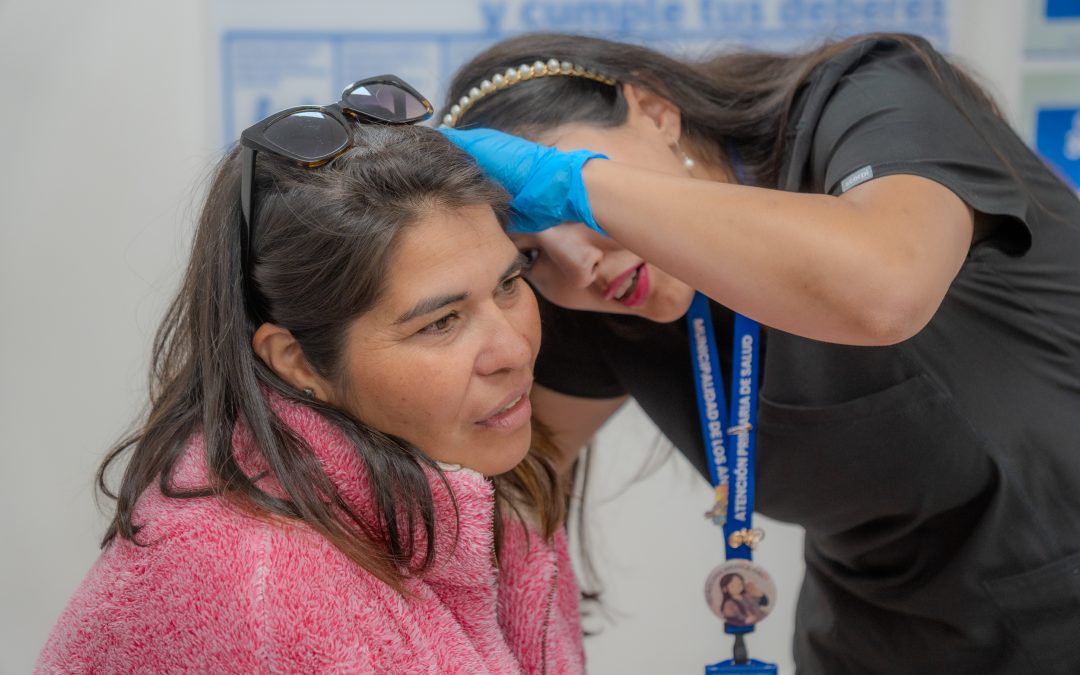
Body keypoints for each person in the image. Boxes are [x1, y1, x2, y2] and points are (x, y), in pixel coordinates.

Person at [438, 33, 1080, 673]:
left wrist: (581, 188)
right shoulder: (598, 296)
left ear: (656, 111)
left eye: (571, 188)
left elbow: (885, 291)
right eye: (532, 253)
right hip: (873, 645)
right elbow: (495, 487)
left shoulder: (868, 95)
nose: (578, 262)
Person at [36, 75, 585, 674]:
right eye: (441, 323)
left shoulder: (487, 487)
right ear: (297, 361)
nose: (513, 349)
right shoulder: (266, 587)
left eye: (509, 284)